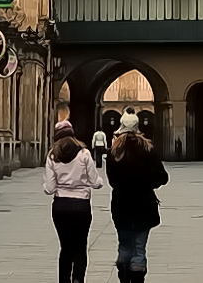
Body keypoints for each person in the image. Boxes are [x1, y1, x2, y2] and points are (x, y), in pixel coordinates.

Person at [106, 112, 168, 283]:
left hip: (121, 205)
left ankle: (123, 275)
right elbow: (163, 177)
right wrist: (148, 184)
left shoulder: (114, 152)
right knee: (139, 247)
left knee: (124, 244)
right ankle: (138, 277)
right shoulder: (148, 149)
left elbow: (112, 181)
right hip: (144, 204)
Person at [43, 120, 103, 283]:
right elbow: (94, 182)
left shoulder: (52, 155)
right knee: (81, 246)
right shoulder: (84, 153)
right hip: (81, 205)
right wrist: (99, 182)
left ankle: (64, 280)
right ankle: (78, 279)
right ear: (72, 134)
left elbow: (49, 188)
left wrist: (49, 185)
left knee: (65, 247)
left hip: (61, 206)